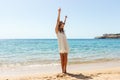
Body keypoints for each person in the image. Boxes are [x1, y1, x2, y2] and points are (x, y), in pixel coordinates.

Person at [55, 8, 69, 73]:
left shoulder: (63, 31)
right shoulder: (57, 31)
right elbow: (57, 21)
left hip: (65, 45)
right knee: (62, 59)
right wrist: (59, 12)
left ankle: (65, 69)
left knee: (66, 58)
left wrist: (65, 19)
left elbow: (64, 23)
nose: (63, 25)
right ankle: (62, 70)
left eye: (63, 25)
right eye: (62, 24)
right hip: (61, 47)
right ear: (59, 25)